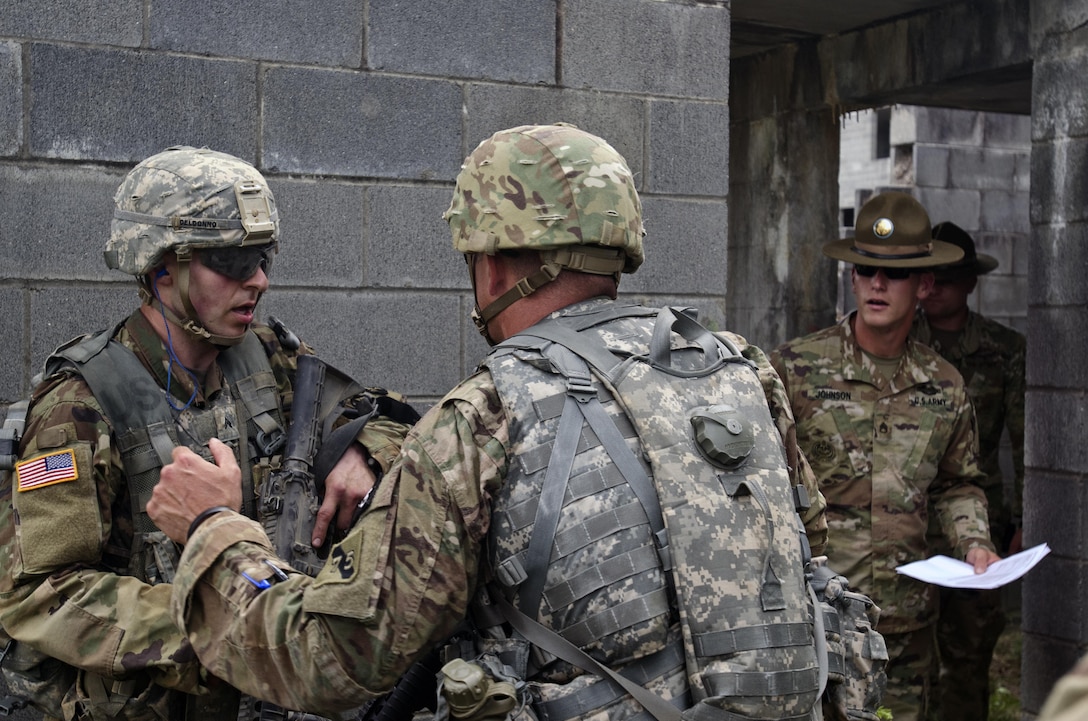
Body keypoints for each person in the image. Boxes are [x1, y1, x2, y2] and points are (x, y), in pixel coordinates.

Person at [142, 124, 859, 721]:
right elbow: (803, 554)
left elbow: (329, 658)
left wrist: (214, 529)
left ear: (491, 266)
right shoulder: (739, 369)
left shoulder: (486, 414)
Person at [0, 146, 413, 721]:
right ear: (161, 267)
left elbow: (387, 421)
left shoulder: (269, 358)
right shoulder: (80, 405)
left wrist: (359, 452)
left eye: (263, 258)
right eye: (235, 263)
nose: (260, 281)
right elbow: (40, 594)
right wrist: (218, 627)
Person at [769, 191, 1002, 721]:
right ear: (852, 277)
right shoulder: (793, 370)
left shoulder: (944, 385)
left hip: (904, 625)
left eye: (894, 273)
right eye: (866, 268)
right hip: (816, 619)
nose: (877, 283)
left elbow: (956, 483)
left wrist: (975, 543)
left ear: (923, 284)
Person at [911, 221, 1026, 721]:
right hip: (905, 527)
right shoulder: (896, 341)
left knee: (967, 657)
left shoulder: (1004, 350)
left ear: (971, 283)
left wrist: (1024, 520)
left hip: (977, 530)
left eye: (949, 279)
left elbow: (1026, 444)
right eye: (928, 277)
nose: (936, 289)